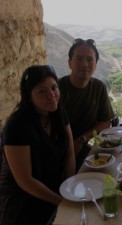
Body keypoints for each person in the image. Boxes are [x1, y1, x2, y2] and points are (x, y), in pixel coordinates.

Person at [0, 65, 76, 225]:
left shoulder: (58, 113)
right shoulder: (17, 126)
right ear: (29, 97)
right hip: (23, 201)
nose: (51, 95)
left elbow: (69, 151)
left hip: (55, 190)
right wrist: (61, 201)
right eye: (42, 91)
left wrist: (70, 189)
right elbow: (25, 181)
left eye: (54, 88)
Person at [58, 38, 114, 170]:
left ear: (95, 64)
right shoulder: (57, 89)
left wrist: (81, 139)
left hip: (83, 149)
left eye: (89, 60)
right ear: (69, 63)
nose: (84, 64)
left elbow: (105, 121)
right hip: (57, 152)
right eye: (79, 59)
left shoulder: (98, 87)